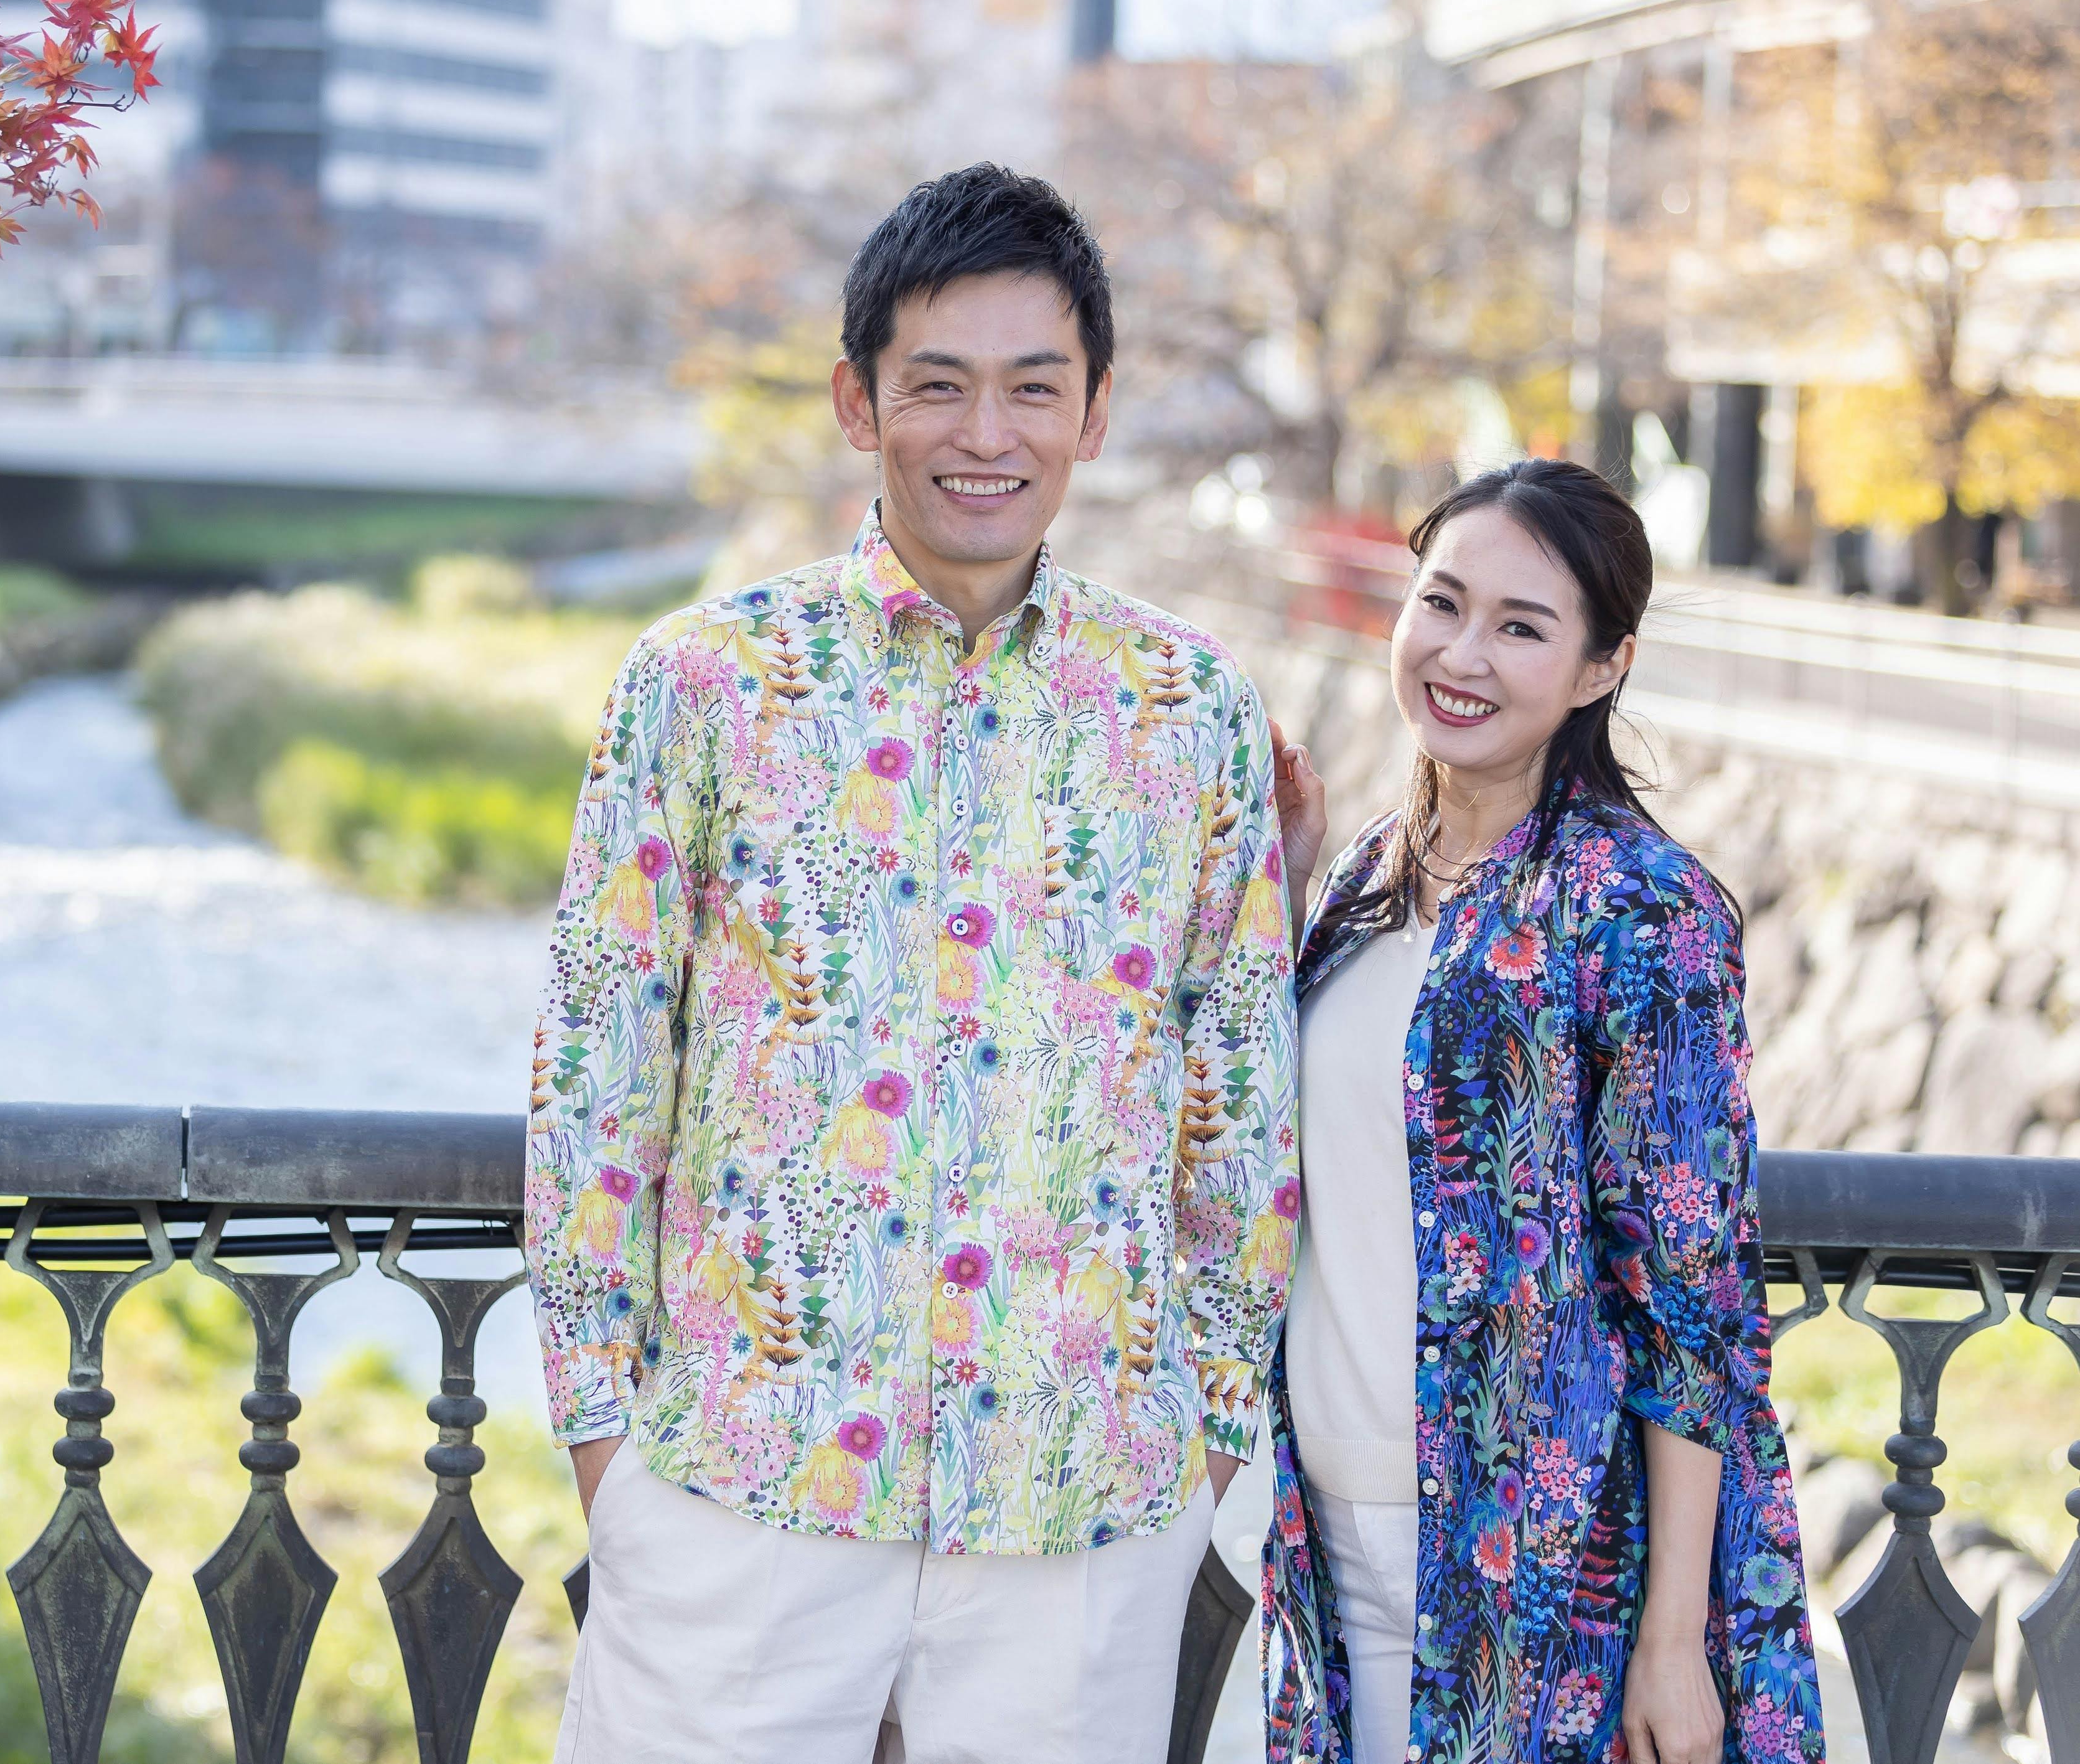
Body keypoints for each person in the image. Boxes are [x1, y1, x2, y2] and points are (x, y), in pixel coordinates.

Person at [524, 163, 1300, 1764]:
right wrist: (607, 1437)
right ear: (855, 401)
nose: (984, 433)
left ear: (1095, 414)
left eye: (1034, 387)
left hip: (1076, 1505)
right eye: (936, 384)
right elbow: (600, 1071)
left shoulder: (1190, 709)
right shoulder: (704, 681)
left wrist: (1212, 1427)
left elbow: (1239, 1103)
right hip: (742, 1488)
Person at [1260, 458, 1823, 1764]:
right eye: (1441, 602)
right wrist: (1282, 905)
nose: (1462, 655)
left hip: (1550, 1580)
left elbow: (1690, 1304)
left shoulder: (1641, 909)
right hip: (1331, 1549)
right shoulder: (1360, 883)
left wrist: (1670, 1640)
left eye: (1521, 627)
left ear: (1600, 667)